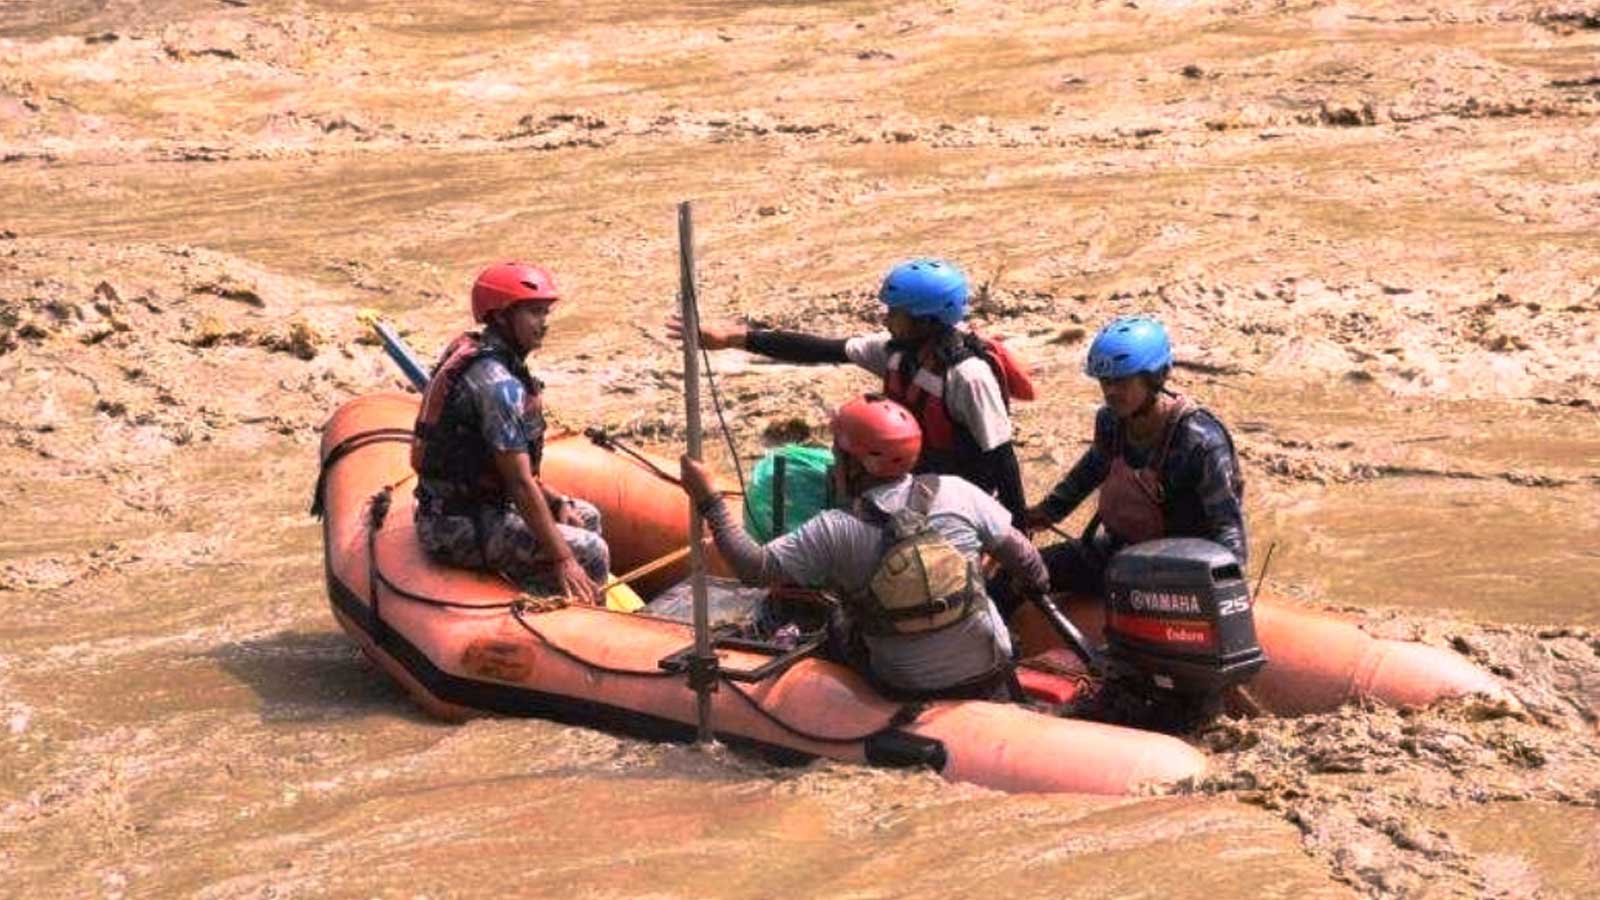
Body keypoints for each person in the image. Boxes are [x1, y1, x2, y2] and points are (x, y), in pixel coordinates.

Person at [678, 394, 1050, 702]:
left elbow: (752, 567)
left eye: (838, 455)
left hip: (905, 686)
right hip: (991, 669)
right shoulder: (959, 491)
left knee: (833, 621)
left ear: (853, 465)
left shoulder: (834, 530)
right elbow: (1030, 564)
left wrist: (710, 500)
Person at [669, 258, 1031, 525]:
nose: (886, 320)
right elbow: (821, 350)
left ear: (926, 321)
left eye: (895, 313)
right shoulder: (894, 352)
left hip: (955, 493)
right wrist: (734, 339)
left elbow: (1001, 455)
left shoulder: (968, 377)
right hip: (907, 478)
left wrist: (1017, 524)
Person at [410, 261, 608, 603]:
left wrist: (556, 500)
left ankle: (546, 589)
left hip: (481, 504)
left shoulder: (487, 356)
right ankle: (579, 628)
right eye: (534, 313)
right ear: (501, 317)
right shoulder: (495, 385)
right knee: (591, 551)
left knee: (586, 516)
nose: (543, 324)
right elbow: (518, 482)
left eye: (545, 313)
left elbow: (507, 475)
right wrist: (564, 559)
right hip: (456, 523)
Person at [1020, 315, 1246, 605]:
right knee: (1019, 574)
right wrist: (1046, 512)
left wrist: (1229, 593)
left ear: (1156, 378)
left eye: (1122, 382)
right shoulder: (1110, 422)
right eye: (1105, 382)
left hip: (1180, 571)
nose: (1111, 392)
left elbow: (1227, 527)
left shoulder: (1200, 441)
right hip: (1120, 553)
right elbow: (1091, 469)